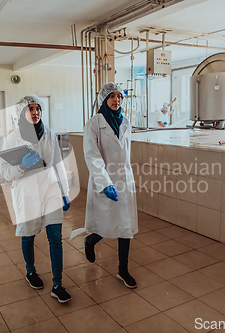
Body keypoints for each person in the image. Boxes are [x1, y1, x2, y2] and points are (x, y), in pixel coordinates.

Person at [0, 95, 72, 303]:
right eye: (30, 109)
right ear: (22, 113)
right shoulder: (12, 138)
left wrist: (65, 191)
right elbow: (5, 172)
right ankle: (30, 271)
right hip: (26, 191)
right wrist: (22, 166)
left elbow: (58, 163)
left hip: (50, 191)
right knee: (28, 235)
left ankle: (57, 284)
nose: (35, 112)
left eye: (37, 108)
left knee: (56, 237)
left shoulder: (49, 134)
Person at [82, 83, 138, 288]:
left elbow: (125, 155)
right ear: (104, 99)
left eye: (120, 97)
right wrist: (104, 182)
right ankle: (90, 241)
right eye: (112, 96)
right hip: (104, 180)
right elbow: (92, 155)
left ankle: (122, 269)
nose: (117, 100)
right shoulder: (94, 123)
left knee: (125, 226)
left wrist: (128, 179)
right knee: (106, 223)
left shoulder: (126, 122)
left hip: (124, 180)